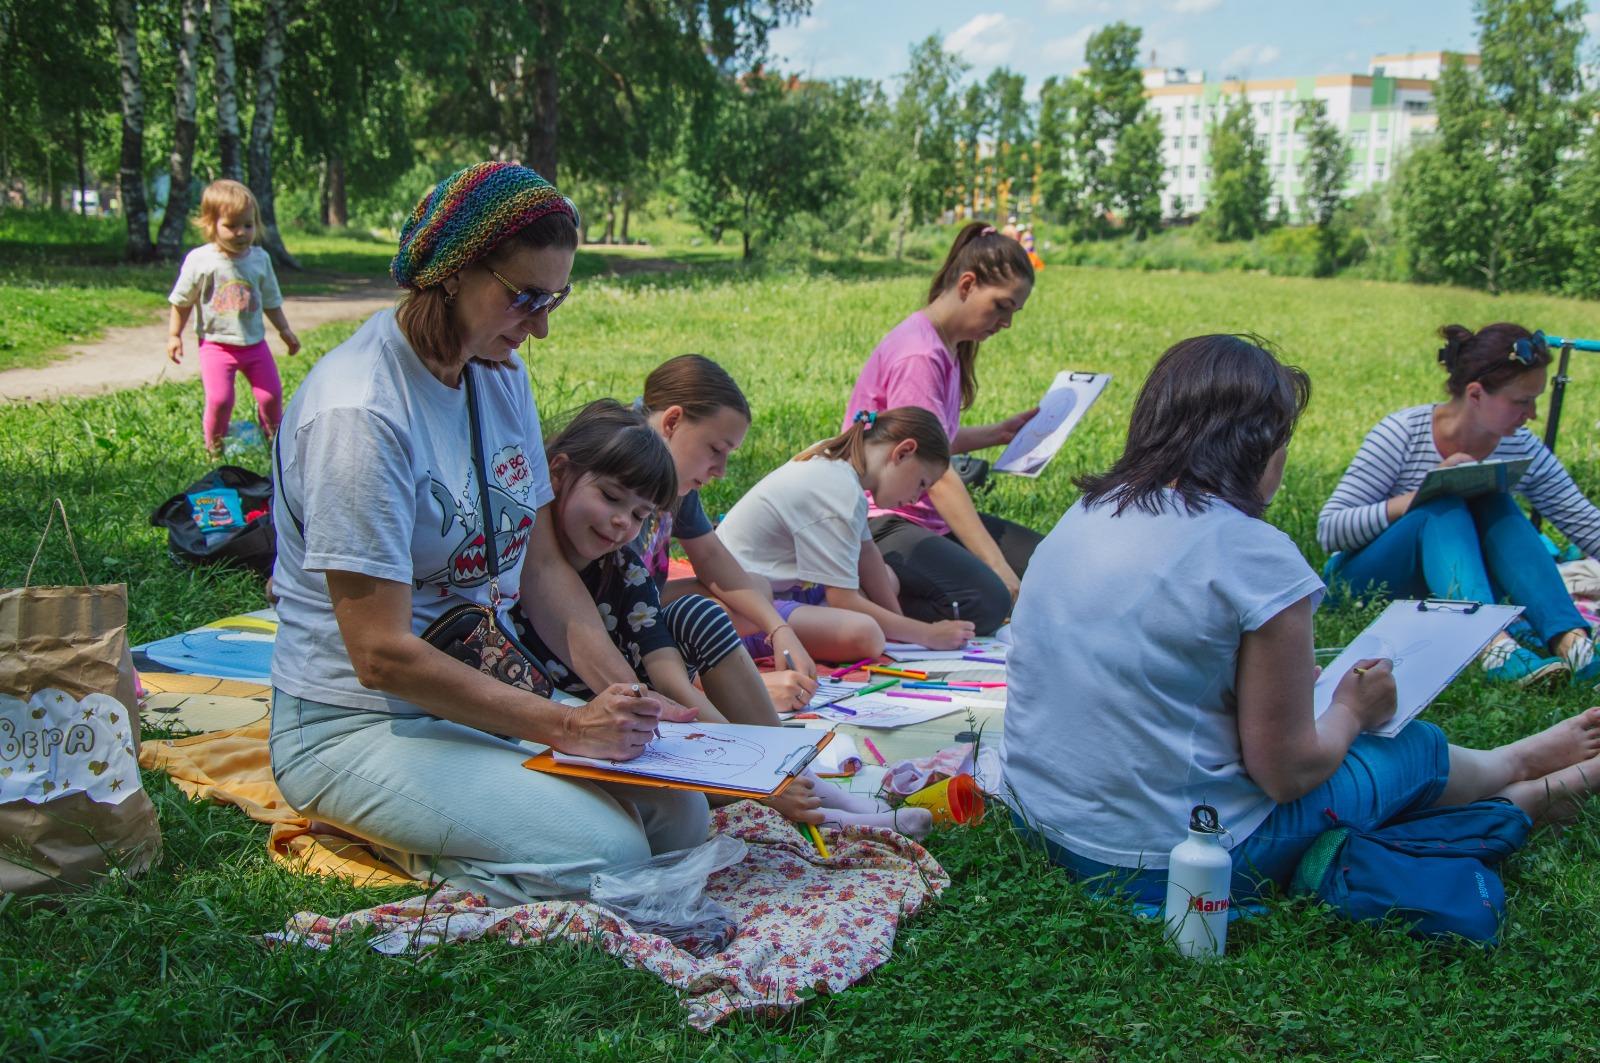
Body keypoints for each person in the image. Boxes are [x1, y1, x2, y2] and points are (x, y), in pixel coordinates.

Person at [1003, 333, 1600, 912]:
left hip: (1042, 822)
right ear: (1260, 444)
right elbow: (1287, 775)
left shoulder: (1086, 512)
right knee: (1408, 750)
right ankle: (1518, 771)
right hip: (1174, 858)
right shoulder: (1254, 554)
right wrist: (1352, 710)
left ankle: (1514, 778)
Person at [268, 162, 707, 906]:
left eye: (554, 299)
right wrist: (568, 725)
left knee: (681, 820)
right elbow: (380, 655)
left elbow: (541, 568)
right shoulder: (361, 413)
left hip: (470, 691)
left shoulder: (498, 373)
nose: (540, 325)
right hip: (353, 723)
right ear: (452, 273)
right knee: (618, 858)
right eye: (525, 297)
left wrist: (624, 698)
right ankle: (394, 841)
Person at [515, 398, 930, 836]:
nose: (621, 522)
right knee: (672, 763)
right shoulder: (518, 560)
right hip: (574, 721)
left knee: (700, 613)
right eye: (610, 497)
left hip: (638, 703)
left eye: (639, 515)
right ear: (557, 472)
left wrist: (746, 754)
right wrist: (745, 770)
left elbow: (667, 675)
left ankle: (795, 776)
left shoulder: (623, 566)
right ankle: (798, 801)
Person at [1318, 323, 1600, 687]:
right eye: (1521, 401)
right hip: (1366, 584)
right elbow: (1330, 530)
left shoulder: (1520, 445)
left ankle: (1573, 644)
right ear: (1476, 394)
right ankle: (1491, 646)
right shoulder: (1403, 432)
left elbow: (1584, 522)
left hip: (1453, 585)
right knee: (1444, 506)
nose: (1531, 413)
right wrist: (1422, 495)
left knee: (1495, 499)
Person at [844, 221, 1044, 635]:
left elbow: (935, 442)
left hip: (926, 518)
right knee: (989, 600)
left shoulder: (946, 346)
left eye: (1014, 312)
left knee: (1048, 565)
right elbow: (934, 475)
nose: (1006, 322)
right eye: (1002, 306)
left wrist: (997, 434)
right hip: (882, 519)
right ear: (967, 284)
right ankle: (864, 597)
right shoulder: (919, 355)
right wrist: (997, 567)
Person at [635, 355, 866, 710]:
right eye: (716, 450)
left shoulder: (671, 469)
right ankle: (712, 675)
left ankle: (722, 664)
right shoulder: (628, 471)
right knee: (706, 614)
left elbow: (711, 557)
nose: (721, 470)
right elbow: (607, 615)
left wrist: (779, 629)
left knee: (755, 590)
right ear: (672, 421)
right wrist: (743, 688)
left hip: (641, 602)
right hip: (616, 620)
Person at [717, 407, 975, 653]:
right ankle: (753, 642)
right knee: (866, 635)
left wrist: (902, 627)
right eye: (921, 483)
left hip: (776, 590)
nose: (916, 498)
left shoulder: (838, 462)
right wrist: (926, 634)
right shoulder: (839, 490)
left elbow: (868, 555)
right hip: (745, 609)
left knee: (887, 578)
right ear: (903, 452)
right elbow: (843, 599)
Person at [167, 179, 301, 455]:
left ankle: (275, 443)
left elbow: (271, 301)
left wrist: (284, 330)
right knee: (220, 400)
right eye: (231, 226)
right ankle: (214, 449)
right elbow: (182, 301)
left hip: (254, 345)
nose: (241, 233)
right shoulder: (201, 260)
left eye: (248, 225)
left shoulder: (260, 259)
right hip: (216, 345)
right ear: (210, 224)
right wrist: (174, 335)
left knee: (271, 395)